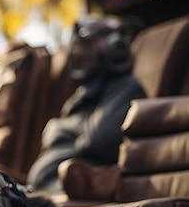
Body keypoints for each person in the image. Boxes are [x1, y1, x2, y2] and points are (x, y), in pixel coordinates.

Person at [26, 15, 146, 193]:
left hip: (77, 190)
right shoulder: (84, 95)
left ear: (114, 47)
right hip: (47, 188)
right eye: (77, 46)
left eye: (87, 45)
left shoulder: (127, 88)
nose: (77, 53)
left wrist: (59, 128)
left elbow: (96, 140)